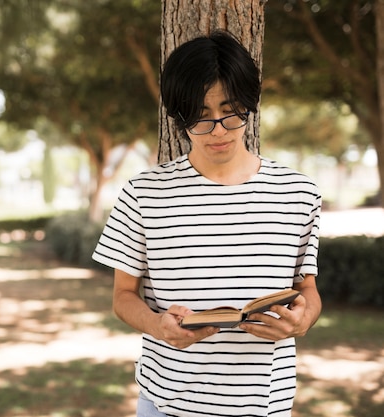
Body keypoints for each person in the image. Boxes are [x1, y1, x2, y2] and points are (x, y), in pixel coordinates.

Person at [92, 30, 322, 417]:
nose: (217, 129)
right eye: (200, 117)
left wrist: (302, 321)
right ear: (179, 119)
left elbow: (308, 291)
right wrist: (157, 323)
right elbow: (122, 297)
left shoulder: (298, 193)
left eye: (231, 112)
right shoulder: (143, 193)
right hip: (167, 404)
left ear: (250, 105)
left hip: (263, 406)